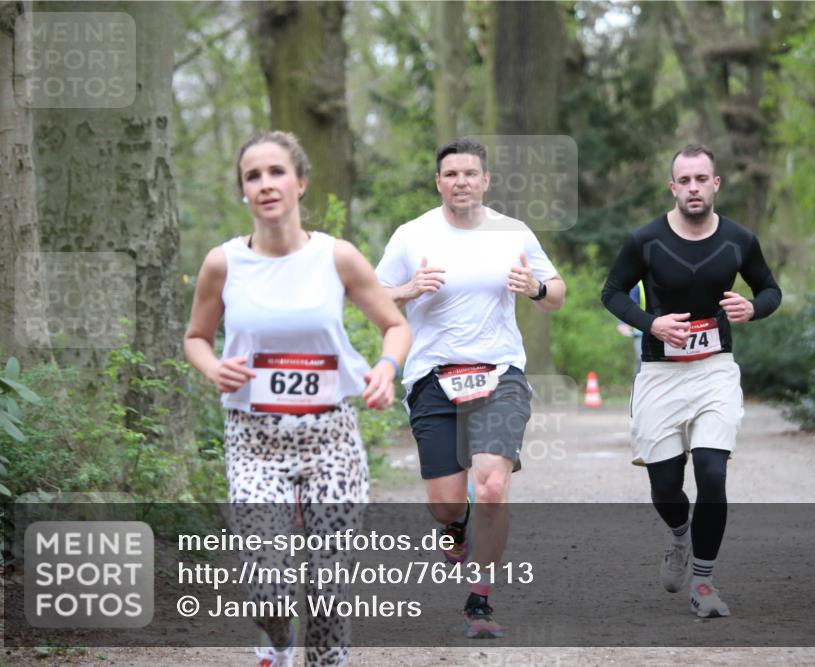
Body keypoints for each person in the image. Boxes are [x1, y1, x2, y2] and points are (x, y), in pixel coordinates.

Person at [184, 130, 410, 666]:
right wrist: (214, 367)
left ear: (300, 182)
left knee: (329, 587)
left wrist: (385, 367)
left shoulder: (338, 257)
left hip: (331, 437)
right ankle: (278, 638)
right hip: (254, 440)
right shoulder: (223, 264)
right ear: (243, 190)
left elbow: (395, 325)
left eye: (276, 172)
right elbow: (195, 338)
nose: (265, 184)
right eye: (253, 176)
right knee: (267, 589)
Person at [375, 137, 565, 639]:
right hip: (432, 378)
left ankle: (479, 600)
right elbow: (372, 298)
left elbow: (557, 293)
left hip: (500, 374)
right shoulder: (411, 235)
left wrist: (536, 289)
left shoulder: (513, 232)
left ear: (486, 180)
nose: (461, 181)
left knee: (493, 485)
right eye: (451, 174)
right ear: (438, 182)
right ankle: (455, 527)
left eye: (470, 173)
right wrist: (408, 289)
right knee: (445, 503)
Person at [601, 143, 781, 618]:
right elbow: (612, 292)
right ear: (673, 187)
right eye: (685, 180)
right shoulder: (645, 240)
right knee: (665, 486)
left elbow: (770, 289)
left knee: (711, 472)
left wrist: (753, 308)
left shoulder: (739, 240)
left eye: (702, 179)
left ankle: (703, 582)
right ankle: (680, 535)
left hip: (714, 369)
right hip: (660, 375)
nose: (694, 188)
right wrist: (651, 324)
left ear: (715, 184)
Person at [615, 283, 644, 374]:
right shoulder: (638, 284)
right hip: (642, 332)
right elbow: (631, 304)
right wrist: (624, 323)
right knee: (641, 360)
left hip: (669, 328)